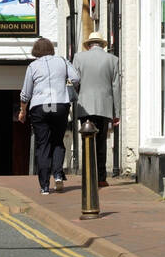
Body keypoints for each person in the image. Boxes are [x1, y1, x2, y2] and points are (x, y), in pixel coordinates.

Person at [17, 37, 80, 195]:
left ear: (36, 51)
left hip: (39, 107)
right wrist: (66, 83)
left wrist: (23, 111)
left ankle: (44, 186)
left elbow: (26, 93)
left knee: (43, 145)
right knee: (57, 141)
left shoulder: (33, 66)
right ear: (51, 49)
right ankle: (58, 174)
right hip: (60, 104)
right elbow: (76, 78)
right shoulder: (62, 61)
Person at [73, 30, 121, 188]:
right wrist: (117, 113)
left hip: (85, 105)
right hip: (104, 106)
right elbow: (116, 87)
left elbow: (74, 82)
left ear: (88, 45)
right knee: (101, 142)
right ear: (102, 45)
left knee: (86, 140)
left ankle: (87, 176)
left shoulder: (79, 58)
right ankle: (101, 177)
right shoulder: (113, 60)